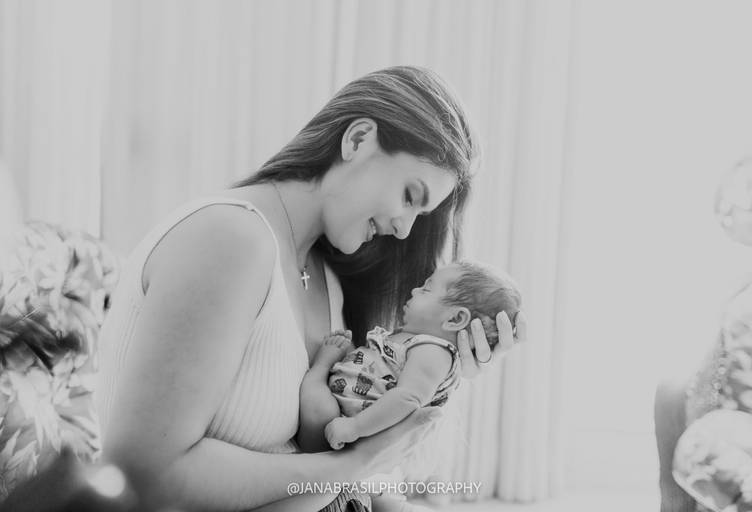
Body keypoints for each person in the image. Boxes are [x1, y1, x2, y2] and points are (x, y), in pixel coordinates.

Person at [95, 66, 517, 512]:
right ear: (357, 140)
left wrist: (442, 369)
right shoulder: (229, 239)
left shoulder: (327, 273)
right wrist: (353, 466)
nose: (404, 229)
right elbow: (144, 476)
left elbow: (342, 467)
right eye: (410, 197)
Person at [298, 260, 523, 453]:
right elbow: (377, 370)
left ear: (455, 319)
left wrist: (355, 427)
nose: (414, 290)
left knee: (317, 404)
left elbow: (407, 398)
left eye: (426, 289)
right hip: (346, 417)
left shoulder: (434, 352)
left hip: (351, 426)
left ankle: (319, 370)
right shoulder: (413, 340)